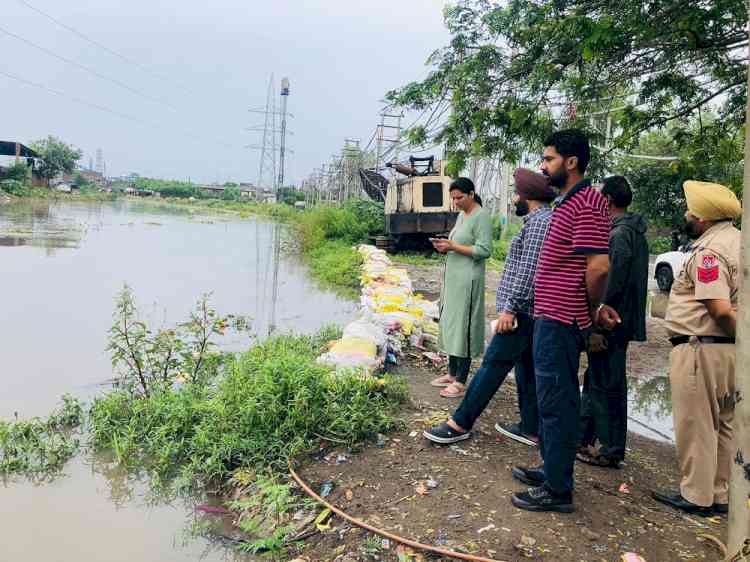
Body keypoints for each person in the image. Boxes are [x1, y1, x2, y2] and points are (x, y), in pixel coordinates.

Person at [510, 129, 620, 514]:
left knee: (557, 401)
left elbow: (599, 266)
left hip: (561, 320)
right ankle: (551, 469)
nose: (542, 166)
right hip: (550, 316)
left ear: (571, 162)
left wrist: (589, 309)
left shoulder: (587, 202)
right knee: (551, 398)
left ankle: (558, 490)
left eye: (549, 158)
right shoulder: (568, 202)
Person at [423, 168, 555, 444]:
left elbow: (528, 272)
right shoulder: (537, 220)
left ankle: (459, 423)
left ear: (528, 196)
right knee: (526, 368)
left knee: (493, 364)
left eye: (517, 193)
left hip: (521, 311)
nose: (514, 198)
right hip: (529, 311)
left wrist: (510, 308)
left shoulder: (540, 223)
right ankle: (531, 427)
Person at [652, 180, 741, 517]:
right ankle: (719, 495)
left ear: (703, 217)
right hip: (730, 354)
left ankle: (696, 496)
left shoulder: (709, 253)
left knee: (697, 424)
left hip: (700, 348)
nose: (686, 215)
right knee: (725, 425)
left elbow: (718, 309)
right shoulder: (739, 243)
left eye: (690, 210)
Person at [578, 176, 649, 468]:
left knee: (608, 382)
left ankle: (611, 448)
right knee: (596, 378)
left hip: (611, 322)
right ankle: (583, 438)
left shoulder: (619, 235)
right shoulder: (632, 231)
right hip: (620, 319)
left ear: (606, 201)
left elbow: (612, 280)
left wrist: (598, 316)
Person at [430, 177, 493, 398]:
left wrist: (453, 245)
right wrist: (445, 246)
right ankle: (451, 372)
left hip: (468, 279)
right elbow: (458, 243)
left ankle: (461, 380)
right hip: (454, 278)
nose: (456, 201)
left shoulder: (481, 216)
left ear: (471, 194)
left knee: (464, 326)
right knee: (452, 322)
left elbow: (484, 250)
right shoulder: (461, 215)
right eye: (453, 198)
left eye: (460, 197)